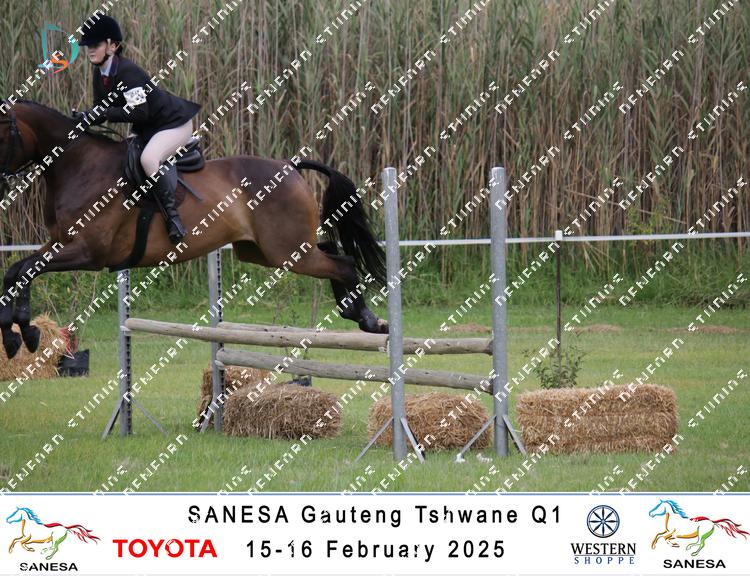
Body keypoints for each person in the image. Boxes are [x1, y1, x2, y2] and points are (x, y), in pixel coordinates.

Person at [77, 15, 201, 243]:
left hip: (173, 124)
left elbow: (139, 112)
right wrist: (85, 117)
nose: (90, 50)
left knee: (148, 159)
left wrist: (105, 113)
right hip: (149, 128)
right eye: (88, 46)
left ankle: (173, 219)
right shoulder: (100, 73)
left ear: (113, 46)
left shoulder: (128, 72)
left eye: (95, 44)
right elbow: (101, 110)